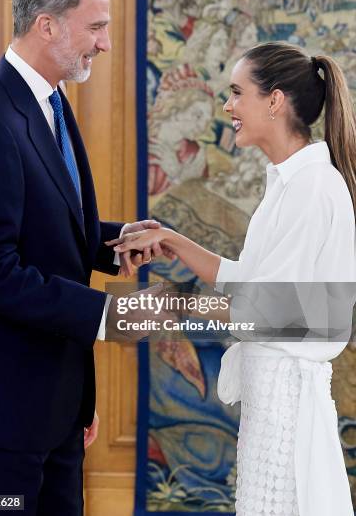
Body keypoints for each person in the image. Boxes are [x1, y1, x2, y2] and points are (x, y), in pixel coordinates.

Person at [0, 0, 159, 516]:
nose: (106, 44)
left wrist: (117, 242)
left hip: (57, 412)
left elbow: (48, 228)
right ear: (47, 25)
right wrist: (106, 314)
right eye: (96, 27)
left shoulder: (52, 103)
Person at [107, 42, 356, 515]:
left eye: (238, 93)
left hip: (288, 409)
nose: (228, 106)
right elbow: (253, 285)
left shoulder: (312, 188)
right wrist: (174, 241)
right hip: (270, 403)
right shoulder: (287, 182)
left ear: (275, 101)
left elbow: (267, 309)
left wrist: (170, 308)